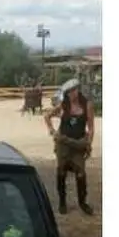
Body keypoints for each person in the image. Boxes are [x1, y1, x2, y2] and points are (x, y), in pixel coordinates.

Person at [44, 78, 94, 215]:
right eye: (69, 92)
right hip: (63, 143)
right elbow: (47, 116)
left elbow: (91, 127)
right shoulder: (64, 105)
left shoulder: (87, 105)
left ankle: (82, 203)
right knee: (61, 171)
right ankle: (62, 202)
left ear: (78, 90)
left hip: (78, 143)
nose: (72, 94)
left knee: (81, 173)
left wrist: (89, 144)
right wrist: (52, 131)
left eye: (74, 90)